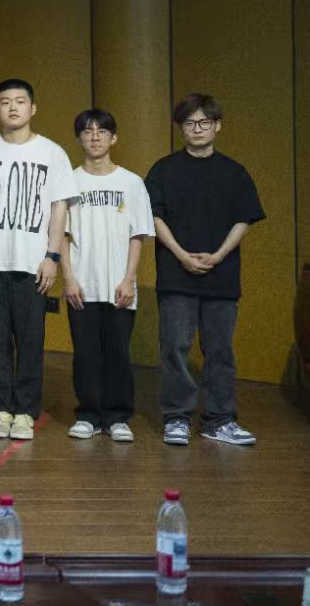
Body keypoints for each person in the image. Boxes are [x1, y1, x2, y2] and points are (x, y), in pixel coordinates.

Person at [146, 93, 265, 448]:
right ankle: (177, 418)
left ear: (217, 126)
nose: (197, 129)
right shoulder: (163, 170)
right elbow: (155, 217)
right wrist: (182, 255)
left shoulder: (234, 172)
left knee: (220, 351)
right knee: (175, 348)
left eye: (204, 122)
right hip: (175, 273)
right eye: (189, 123)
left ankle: (220, 420)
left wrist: (218, 255)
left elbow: (244, 219)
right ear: (181, 128)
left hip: (222, 275)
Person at [0, 79, 77, 442]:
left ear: (33, 108)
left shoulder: (53, 153)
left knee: (30, 339)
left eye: (20, 101)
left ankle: (25, 411)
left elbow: (59, 208)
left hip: (33, 262)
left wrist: (52, 256)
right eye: (5, 102)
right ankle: (2, 409)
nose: (12, 107)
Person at [64, 109, 154, 443]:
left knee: (118, 353)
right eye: (87, 131)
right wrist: (69, 278)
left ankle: (117, 416)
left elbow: (137, 235)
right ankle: (88, 415)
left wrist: (129, 279)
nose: (95, 136)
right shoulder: (69, 181)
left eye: (102, 131)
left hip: (119, 284)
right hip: (82, 283)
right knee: (85, 353)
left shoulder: (132, 183)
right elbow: (62, 235)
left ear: (113, 138)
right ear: (79, 138)